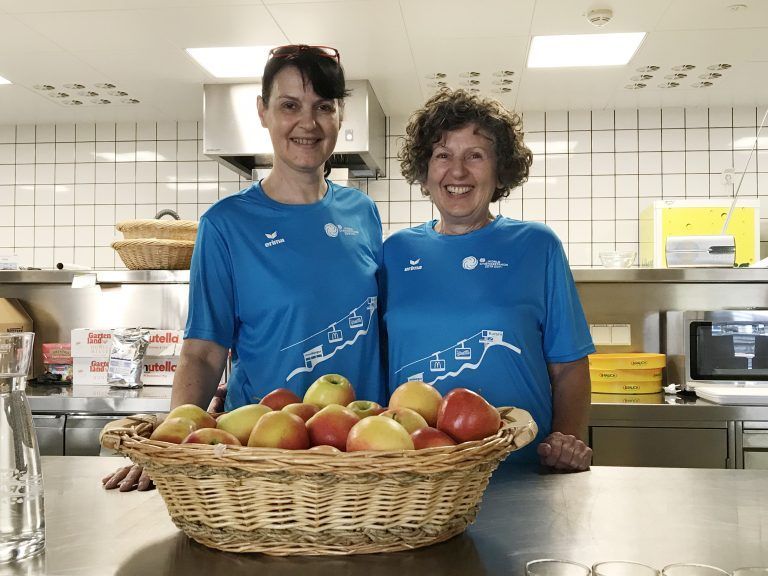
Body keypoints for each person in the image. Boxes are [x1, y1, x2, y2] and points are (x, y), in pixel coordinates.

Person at [103, 44, 385, 491]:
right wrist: (176, 439)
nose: (307, 123)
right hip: (262, 456)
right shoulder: (226, 224)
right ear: (263, 111)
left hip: (363, 452)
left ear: (340, 115)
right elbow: (203, 350)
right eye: (289, 105)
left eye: (323, 107)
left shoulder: (363, 212)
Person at [381, 89, 595, 472]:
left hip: (521, 468)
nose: (458, 171)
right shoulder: (394, 252)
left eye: (475, 156)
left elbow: (569, 366)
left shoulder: (537, 246)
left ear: (500, 172)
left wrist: (566, 443)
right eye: (443, 155)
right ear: (425, 171)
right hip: (416, 476)